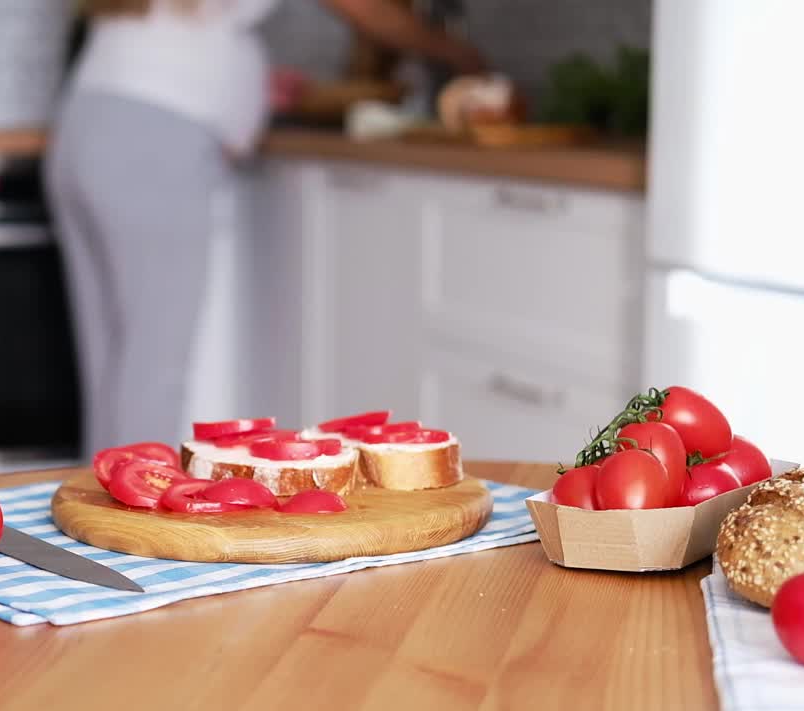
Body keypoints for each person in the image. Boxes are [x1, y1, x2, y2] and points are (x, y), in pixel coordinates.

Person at [47, 0, 484, 457]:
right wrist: (455, 52)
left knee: (111, 357)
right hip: (156, 137)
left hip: (88, 120)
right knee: (153, 361)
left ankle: (95, 508)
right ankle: (130, 517)